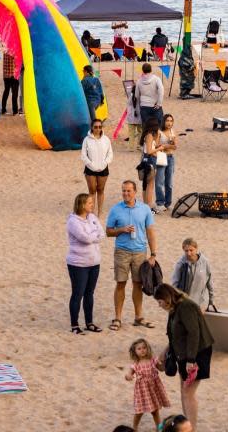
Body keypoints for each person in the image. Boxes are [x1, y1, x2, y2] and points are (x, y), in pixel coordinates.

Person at [153, 283, 213, 432]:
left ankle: (191, 429)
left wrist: (191, 360)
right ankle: (187, 426)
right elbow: (175, 335)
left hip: (196, 353)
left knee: (188, 393)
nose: (159, 305)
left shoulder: (186, 307)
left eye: (159, 302)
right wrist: (164, 352)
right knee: (184, 391)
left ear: (167, 298)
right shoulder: (174, 308)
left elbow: (194, 333)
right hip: (184, 353)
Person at [107, 180, 159, 332]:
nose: (125, 194)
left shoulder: (145, 209)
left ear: (135, 192)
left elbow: (150, 232)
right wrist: (122, 229)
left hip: (140, 252)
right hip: (121, 251)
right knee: (120, 283)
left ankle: (138, 317)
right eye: (123, 191)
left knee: (138, 284)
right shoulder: (115, 209)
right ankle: (117, 318)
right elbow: (108, 231)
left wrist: (153, 254)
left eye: (128, 191)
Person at [67, 193, 103, 335]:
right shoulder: (73, 222)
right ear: (82, 205)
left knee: (89, 293)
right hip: (78, 263)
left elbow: (102, 233)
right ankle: (74, 325)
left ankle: (89, 322)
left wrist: (93, 235)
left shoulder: (92, 218)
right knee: (78, 293)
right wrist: (94, 236)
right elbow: (85, 238)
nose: (92, 205)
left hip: (94, 262)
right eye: (89, 203)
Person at [125, 337, 171, 430]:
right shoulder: (136, 364)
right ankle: (134, 428)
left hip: (154, 388)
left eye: (144, 347)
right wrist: (128, 377)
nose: (142, 350)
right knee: (139, 411)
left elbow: (161, 369)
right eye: (139, 348)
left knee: (155, 411)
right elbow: (129, 374)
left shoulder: (153, 360)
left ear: (148, 348)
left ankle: (159, 428)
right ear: (134, 351)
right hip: (142, 391)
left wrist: (164, 363)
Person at [82, 118, 114, 215]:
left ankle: (100, 212)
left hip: (103, 169)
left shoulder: (106, 139)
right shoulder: (87, 140)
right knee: (92, 190)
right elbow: (83, 155)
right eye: (95, 127)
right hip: (90, 169)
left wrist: (105, 163)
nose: (98, 129)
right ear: (92, 127)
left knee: (100, 190)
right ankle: (91, 212)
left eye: (100, 127)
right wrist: (90, 164)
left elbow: (110, 154)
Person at [171, 238, 213, 311]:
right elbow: (175, 284)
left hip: (201, 301)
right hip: (186, 301)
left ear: (196, 249)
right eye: (186, 251)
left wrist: (211, 301)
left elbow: (209, 282)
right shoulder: (180, 264)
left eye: (191, 250)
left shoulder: (205, 262)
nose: (188, 253)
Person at [139, 118, 163, 212]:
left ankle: (146, 205)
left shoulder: (149, 135)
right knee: (150, 184)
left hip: (147, 160)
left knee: (146, 184)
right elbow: (149, 151)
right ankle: (148, 205)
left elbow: (151, 147)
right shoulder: (149, 136)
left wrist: (157, 140)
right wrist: (159, 149)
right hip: (149, 161)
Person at [156, 114, 179, 210]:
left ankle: (168, 203)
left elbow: (175, 147)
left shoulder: (173, 132)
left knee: (169, 183)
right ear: (164, 121)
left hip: (170, 157)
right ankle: (160, 202)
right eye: (167, 121)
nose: (169, 123)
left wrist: (165, 146)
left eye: (171, 121)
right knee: (159, 181)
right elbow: (156, 145)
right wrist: (168, 145)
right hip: (161, 157)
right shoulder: (159, 132)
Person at [136, 63, 165, 128]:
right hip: (155, 105)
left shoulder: (139, 81)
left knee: (146, 127)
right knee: (158, 126)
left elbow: (137, 95)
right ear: (151, 69)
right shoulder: (156, 79)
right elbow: (161, 91)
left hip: (144, 106)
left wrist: (139, 106)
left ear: (142, 70)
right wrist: (159, 103)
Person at [1, 49, 20, 115]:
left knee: (6, 91)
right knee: (15, 94)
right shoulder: (14, 51)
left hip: (6, 75)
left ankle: (3, 109)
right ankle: (15, 111)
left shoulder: (5, 50)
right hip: (14, 75)